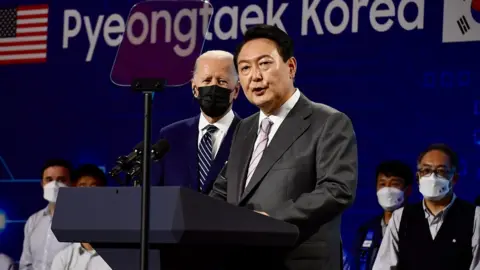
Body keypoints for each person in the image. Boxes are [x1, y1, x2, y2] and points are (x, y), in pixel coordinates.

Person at [209, 24, 358, 269]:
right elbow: (224, 190)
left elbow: (337, 189)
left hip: (297, 260)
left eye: (264, 64)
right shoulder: (244, 129)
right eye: (245, 68)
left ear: (290, 67)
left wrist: (273, 221)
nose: (254, 76)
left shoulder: (328, 122)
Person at [373, 143, 480, 270]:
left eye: (441, 171)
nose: (433, 177)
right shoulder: (400, 217)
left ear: (454, 178)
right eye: (426, 170)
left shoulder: (474, 216)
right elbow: (384, 266)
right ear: (418, 177)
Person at [154, 50, 242, 194]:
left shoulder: (250, 135)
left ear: (236, 90)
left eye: (222, 81)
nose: (214, 87)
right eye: (207, 80)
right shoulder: (171, 137)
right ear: (194, 88)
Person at [353, 160, 413, 270]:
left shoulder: (419, 226)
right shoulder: (366, 230)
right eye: (382, 184)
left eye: (395, 184)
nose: (387, 190)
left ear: (408, 190)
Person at [50, 164, 111, 270]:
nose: (88, 195)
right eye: (82, 188)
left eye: (94, 188)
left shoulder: (120, 259)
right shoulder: (63, 258)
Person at [20, 159, 73, 270]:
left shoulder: (81, 221)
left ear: (71, 183)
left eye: (61, 180)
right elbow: (26, 264)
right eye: (49, 180)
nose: (54, 185)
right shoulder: (33, 221)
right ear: (42, 184)